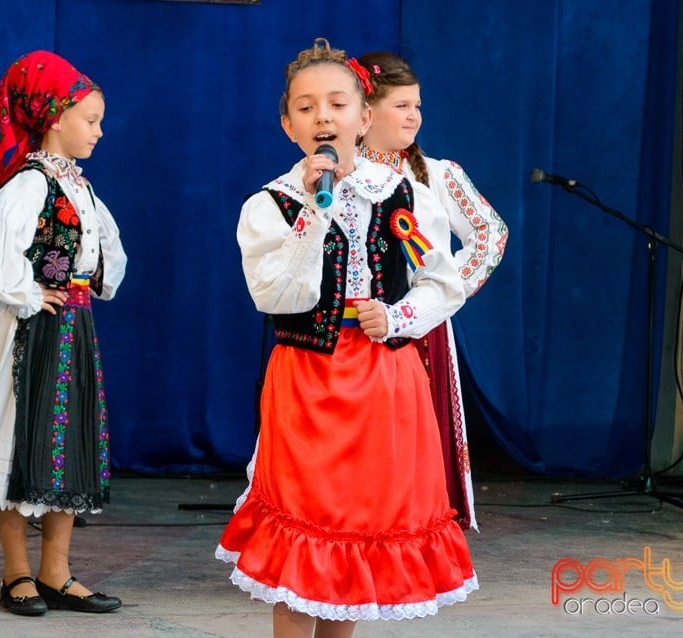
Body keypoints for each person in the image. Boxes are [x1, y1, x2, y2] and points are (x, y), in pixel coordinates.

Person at [216, 38, 477, 637]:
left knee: (360, 537)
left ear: (365, 117)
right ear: (287, 125)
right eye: (306, 108)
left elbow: (442, 282)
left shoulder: (398, 198)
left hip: (385, 384)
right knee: (303, 540)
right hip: (309, 381)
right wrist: (314, 208)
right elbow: (277, 296)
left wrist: (400, 317)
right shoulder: (273, 205)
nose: (323, 117)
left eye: (337, 103)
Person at [0, 50, 126, 617]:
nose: (99, 131)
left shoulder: (78, 187)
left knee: (66, 448)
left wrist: (88, 282)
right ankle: (17, 572)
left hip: (72, 328)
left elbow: (104, 252)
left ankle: (56, 572)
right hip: (27, 331)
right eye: (91, 120)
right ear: (56, 117)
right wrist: (29, 291)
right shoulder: (29, 186)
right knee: (16, 443)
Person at [354, 51, 509, 531]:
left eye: (417, 105)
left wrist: (441, 295)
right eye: (401, 105)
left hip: (420, 336)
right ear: (366, 112)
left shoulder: (435, 175)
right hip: (356, 331)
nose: (414, 116)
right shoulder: (340, 175)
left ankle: (409, 530)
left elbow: (491, 233)